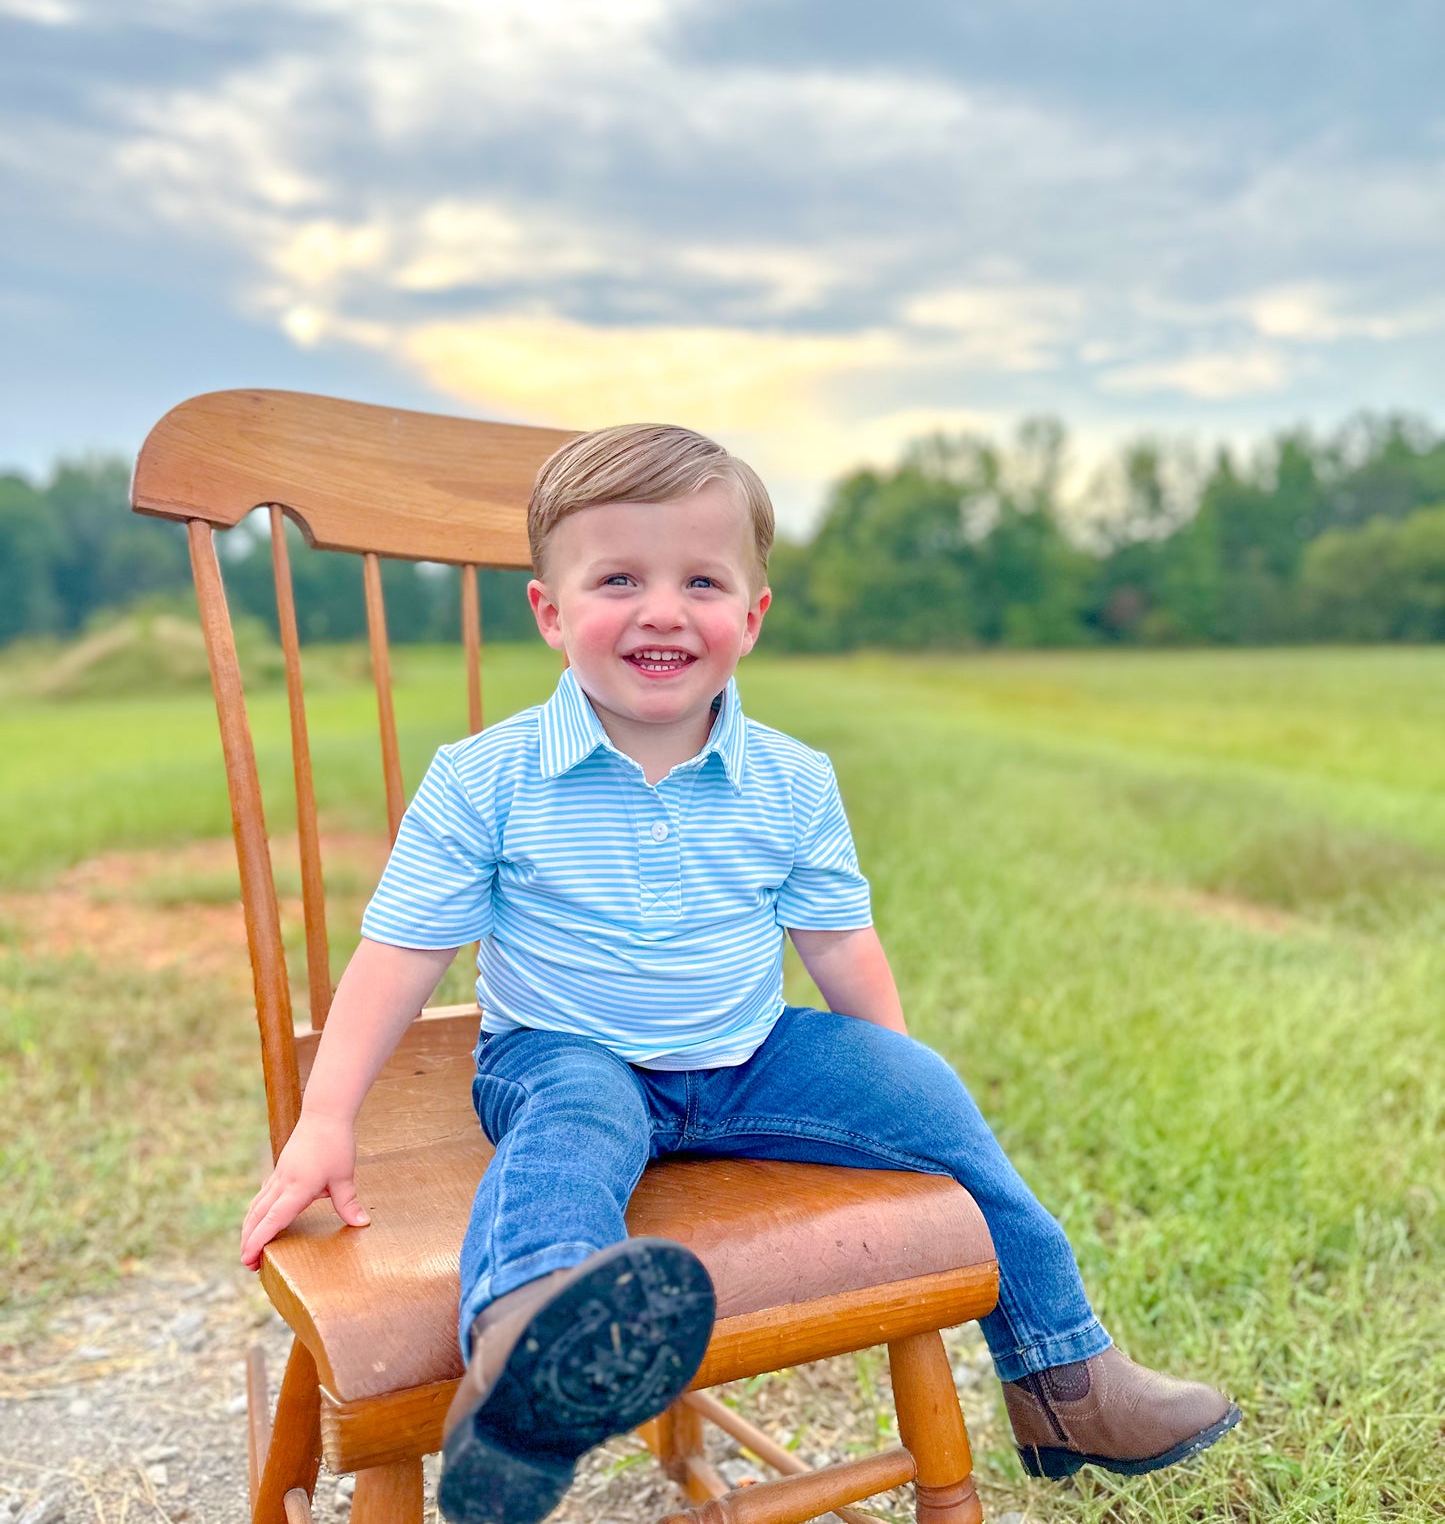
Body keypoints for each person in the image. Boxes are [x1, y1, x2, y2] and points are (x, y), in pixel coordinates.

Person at [240, 423, 1239, 1524]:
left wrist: (887, 1065)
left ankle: (1064, 1375)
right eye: (618, 577)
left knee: (928, 1092)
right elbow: (402, 949)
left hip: (744, 1054)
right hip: (566, 1052)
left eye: (700, 580)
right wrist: (328, 1114)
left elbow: (840, 945)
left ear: (749, 617)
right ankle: (528, 1360)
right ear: (550, 612)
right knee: (568, 1136)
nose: (662, 608)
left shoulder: (792, 780)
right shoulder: (488, 777)